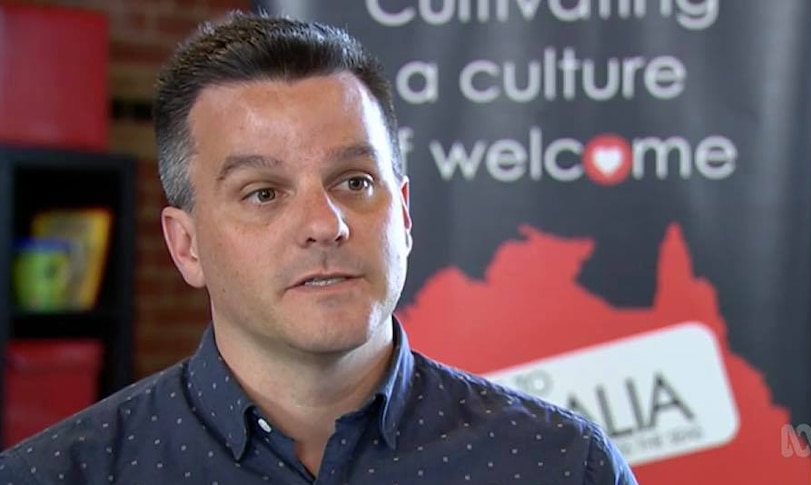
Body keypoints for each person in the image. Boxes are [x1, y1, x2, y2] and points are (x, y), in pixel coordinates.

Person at [0, 11, 638, 484]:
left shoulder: (559, 465)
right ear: (186, 245)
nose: (325, 224)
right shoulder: (57, 476)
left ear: (405, 214)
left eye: (355, 182)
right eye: (263, 193)